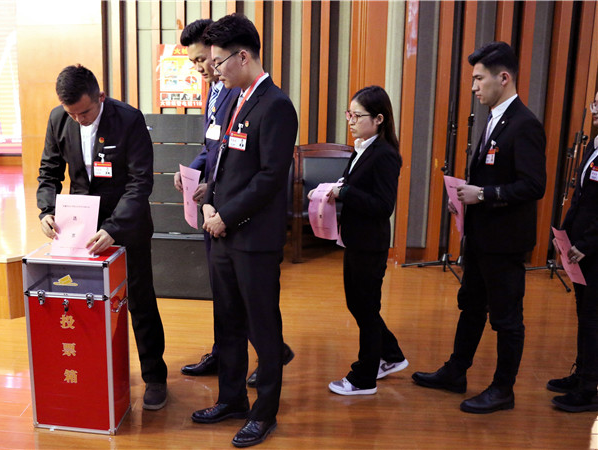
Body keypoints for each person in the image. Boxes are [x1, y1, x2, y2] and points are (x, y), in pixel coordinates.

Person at [412, 41, 546, 414]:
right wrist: (465, 199)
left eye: (478, 79)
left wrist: (483, 194)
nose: (473, 87)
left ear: (503, 78)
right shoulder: (493, 119)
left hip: (505, 242)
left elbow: (534, 185)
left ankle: (503, 389)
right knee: (471, 306)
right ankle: (456, 372)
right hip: (481, 238)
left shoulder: (525, 124)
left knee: (506, 318)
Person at [190, 13, 298, 448]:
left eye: (218, 61)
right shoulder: (233, 98)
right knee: (228, 321)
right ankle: (231, 399)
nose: (214, 69)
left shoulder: (275, 105)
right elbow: (221, 158)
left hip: (253, 238)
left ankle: (264, 413)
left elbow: (270, 177)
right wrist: (208, 199)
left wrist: (226, 214)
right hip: (222, 230)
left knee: (263, 327)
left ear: (243, 57)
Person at [36, 64, 168, 410]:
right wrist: (46, 210)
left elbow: (140, 182)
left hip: (127, 223)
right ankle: (95, 371)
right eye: (72, 114)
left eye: (84, 112)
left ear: (101, 98)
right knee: (86, 302)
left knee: (139, 300)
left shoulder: (128, 119)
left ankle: (155, 377)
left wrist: (114, 227)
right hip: (80, 225)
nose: (78, 119)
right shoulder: (59, 119)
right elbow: (49, 171)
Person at [310, 86, 408, 397]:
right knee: (359, 304)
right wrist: (334, 188)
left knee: (365, 308)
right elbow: (353, 184)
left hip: (370, 243)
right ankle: (391, 355)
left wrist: (345, 192)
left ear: (378, 119)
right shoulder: (363, 147)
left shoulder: (385, 154)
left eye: (357, 115)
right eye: (349, 114)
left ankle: (364, 378)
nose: (350, 121)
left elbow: (383, 205)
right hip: (354, 238)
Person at [548, 91, 598, 412]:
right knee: (584, 313)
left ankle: (590, 388)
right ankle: (582, 374)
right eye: (595, 102)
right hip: (580, 248)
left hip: (593, 250)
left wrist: (585, 244)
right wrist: (564, 235)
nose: (596, 109)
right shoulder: (594, 146)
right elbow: (580, 198)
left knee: (593, 318)